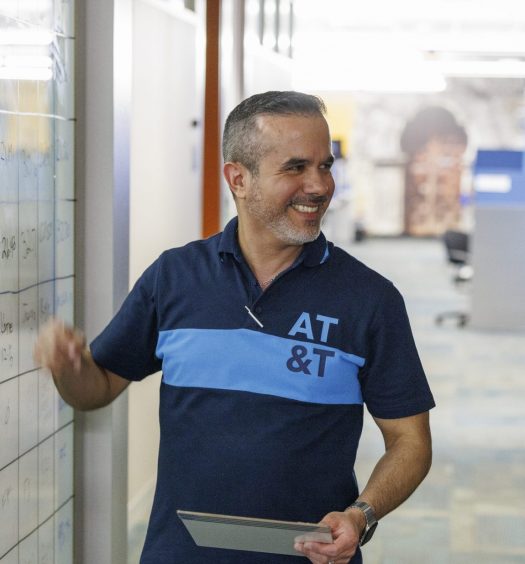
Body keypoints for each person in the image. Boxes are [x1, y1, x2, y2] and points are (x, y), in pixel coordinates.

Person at [34, 91, 435, 564]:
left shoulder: (370, 299)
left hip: (309, 558)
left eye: (325, 166)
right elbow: (95, 389)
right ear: (238, 178)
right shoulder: (174, 278)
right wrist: (68, 367)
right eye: (295, 168)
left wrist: (361, 515)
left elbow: (410, 442)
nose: (319, 185)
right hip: (179, 554)